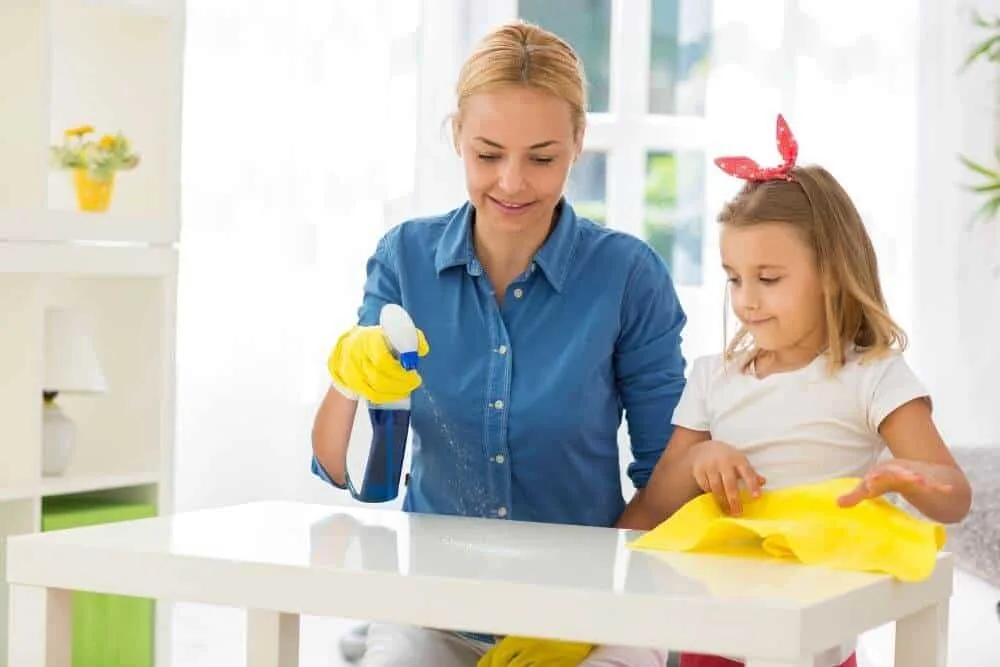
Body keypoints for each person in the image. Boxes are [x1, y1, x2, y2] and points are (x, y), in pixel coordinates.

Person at [311, 20, 687, 667]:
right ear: (457, 135)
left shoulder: (627, 275)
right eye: (488, 154)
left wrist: (590, 613)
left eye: (541, 157)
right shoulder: (405, 257)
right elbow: (343, 467)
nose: (512, 183)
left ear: (577, 142)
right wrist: (351, 374)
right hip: (433, 606)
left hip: (595, 611)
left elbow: (670, 479)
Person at [620, 115, 972, 667]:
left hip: (814, 642)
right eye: (734, 278)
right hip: (712, 636)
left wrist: (912, 477)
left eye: (769, 278)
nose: (746, 300)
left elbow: (955, 496)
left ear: (831, 273)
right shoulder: (715, 377)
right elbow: (653, 511)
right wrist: (699, 460)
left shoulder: (873, 376)